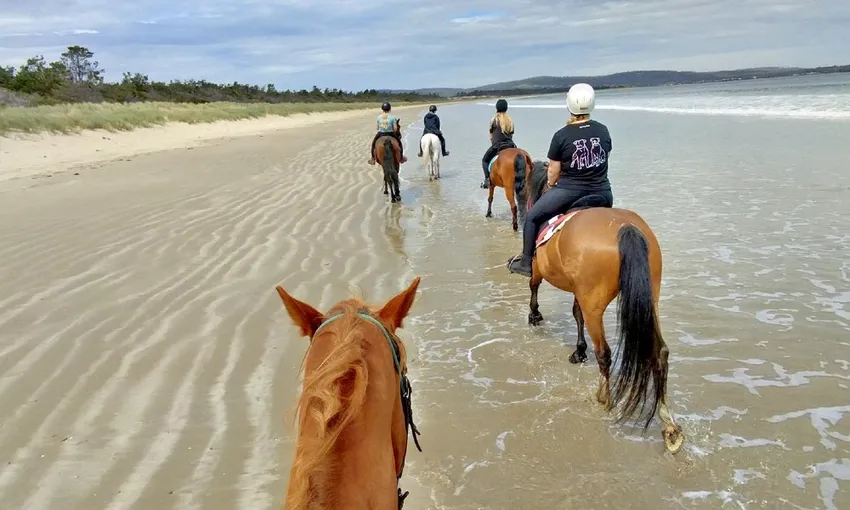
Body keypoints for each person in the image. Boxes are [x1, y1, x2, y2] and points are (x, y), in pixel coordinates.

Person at [507, 83, 614, 277]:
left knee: (532, 217)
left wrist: (550, 186)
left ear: (569, 105)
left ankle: (525, 264)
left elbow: (553, 173)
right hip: (603, 194)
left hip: (569, 192)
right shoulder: (604, 130)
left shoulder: (561, 135)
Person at [480, 98, 516, 188]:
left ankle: (487, 180)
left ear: (497, 108)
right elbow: (511, 134)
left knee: (484, 160)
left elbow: (491, 135)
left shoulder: (494, 119)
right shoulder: (510, 120)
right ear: (506, 108)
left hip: (497, 145)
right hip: (510, 145)